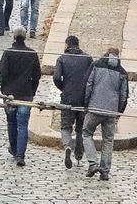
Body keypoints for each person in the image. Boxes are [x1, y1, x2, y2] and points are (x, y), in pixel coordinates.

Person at [81, 46, 130, 181]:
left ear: (106, 54)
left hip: (94, 108)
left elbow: (88, 84)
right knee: (108, 140)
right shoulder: (122, 72)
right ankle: (105, 171)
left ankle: (92, 163)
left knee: (86, 133)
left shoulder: (96, 65)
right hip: (111, 111)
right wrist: (119, 111)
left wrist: (86, 103)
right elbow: (124, 95)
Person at [0, 29, 41, 167]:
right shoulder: (32, 54)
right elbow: (37, 75)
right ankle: (21, 155)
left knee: (11, 122)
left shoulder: (8, 53)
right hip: (26, 93)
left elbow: (3, 73)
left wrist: (3, 90)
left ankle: (14, 149)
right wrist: (32, 91)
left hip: (10, 93)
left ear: (14, 37)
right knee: (23, 125)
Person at [52, 34, 93, 169]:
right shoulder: (87, 59)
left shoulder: (62, 59)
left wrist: (63, 87)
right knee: (81, 128)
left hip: (67, 97)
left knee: (65, 126)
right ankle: (79, 156)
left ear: (67, 45)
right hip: (83, 99)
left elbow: (57, 77)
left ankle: (67, 145)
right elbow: (92, 79)